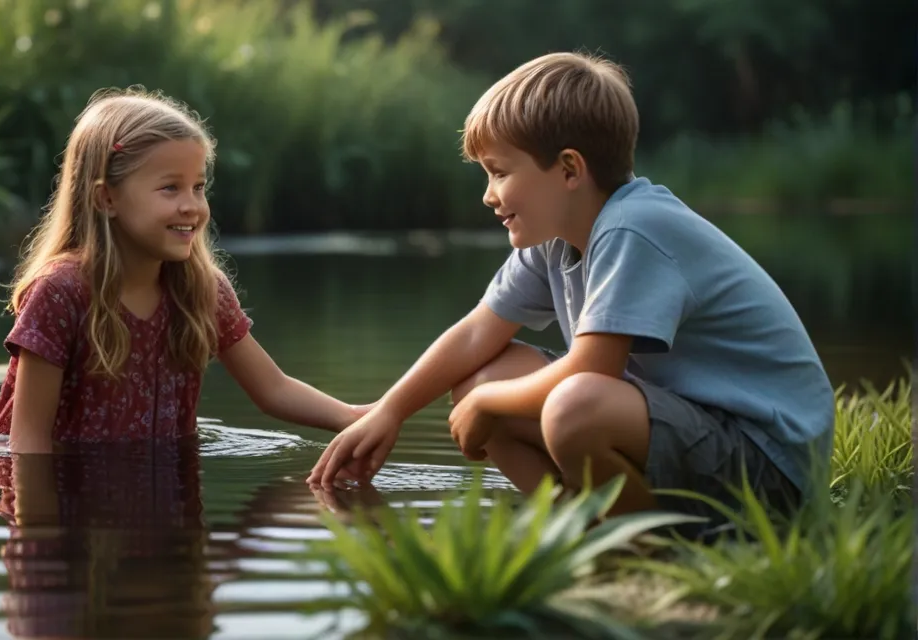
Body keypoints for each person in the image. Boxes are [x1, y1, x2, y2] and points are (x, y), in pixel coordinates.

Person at [308, 52, 834, 534]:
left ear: (568, 170)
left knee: (571, 404)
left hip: (766, 468)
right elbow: (477, 333)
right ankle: (580, 531)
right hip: (692, 433)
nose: (489, 196)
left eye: (499, 173)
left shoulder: (634, 226)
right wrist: (391, 409)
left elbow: (592, 369)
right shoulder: (556, 240)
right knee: (481, 378)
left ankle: (645, 551)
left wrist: (491, 404)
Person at [0, 87, 371, 456]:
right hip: (68, 505)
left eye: (199, 187)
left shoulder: (201, 289)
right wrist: (40, 524)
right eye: (170, 188)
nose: (193, 207)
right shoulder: (60, 292)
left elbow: (274, 389)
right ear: (107, 198)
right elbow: (28, 446)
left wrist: (357, 418)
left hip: (168, 503)